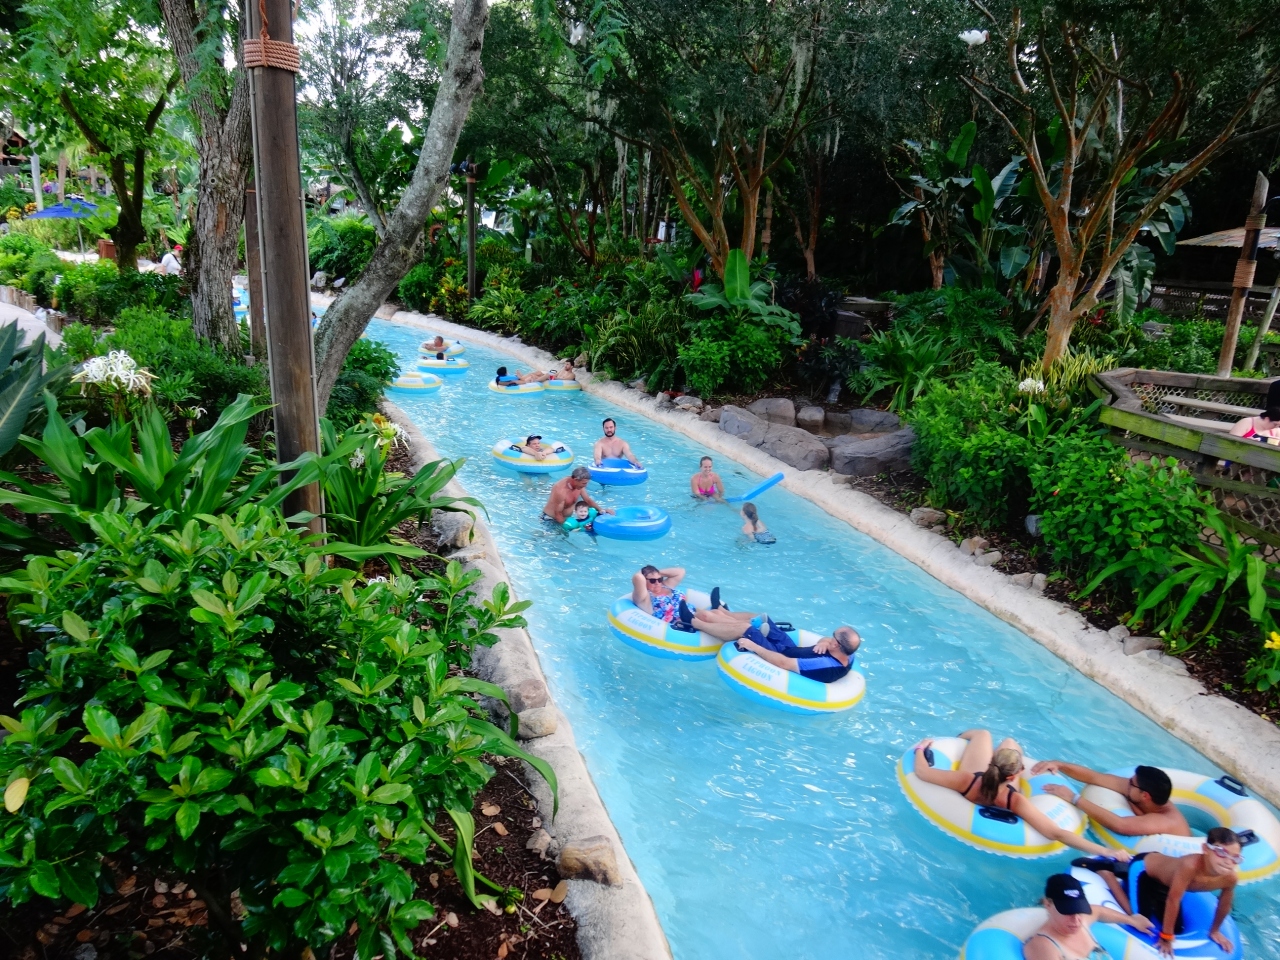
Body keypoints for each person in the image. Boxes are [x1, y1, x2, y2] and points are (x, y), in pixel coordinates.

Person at [911, 730, 1134, 860]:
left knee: (983, 734)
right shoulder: (1015, 800)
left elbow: (922, 772)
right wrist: (1107, 851)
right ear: (1013, 777)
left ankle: (958, 739)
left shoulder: (966, 780)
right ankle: (1006, 750)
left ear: (991, 763)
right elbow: (1057, 833)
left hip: (976, 785)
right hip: (1000, 793)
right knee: (1010, 742)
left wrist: (922, 748)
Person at [1075, 828, 1242, 956]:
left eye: (1235, 858)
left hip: (1165, 883)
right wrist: (1166, 937)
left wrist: (1215, 931)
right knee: (1139, 920)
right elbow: (1173, 900)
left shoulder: (1230, 878)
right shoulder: (1190, 866)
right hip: (1144, 870)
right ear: (1205, 849)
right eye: (1221, 852)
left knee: (1178, 929)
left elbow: (1224, 904)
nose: (1228, 862)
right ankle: (1107, 873)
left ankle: (1122, 871)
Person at [1028, 761, 1190, 840]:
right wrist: (1059, 765)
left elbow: (1121, 825)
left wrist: (1074, 797)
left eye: (1132, 782)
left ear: (1145, 796)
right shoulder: (1139, 792)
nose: (1128, 782)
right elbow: (1095, 777)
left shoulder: (1166, 820)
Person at [1023, 873, 1153, 960]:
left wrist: (1132, 920)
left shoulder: (1082, 921)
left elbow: (1099, 911)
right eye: (1068, 911)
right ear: (1048, 904)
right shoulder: (1043, 946)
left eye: (1079, 910)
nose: (1076, 920)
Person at [733, 622, 861, 684]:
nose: (830, 637)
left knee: (745, 628)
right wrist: (824, 643)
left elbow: (783, 663)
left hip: (777, 654)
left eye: (833, 635)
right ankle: (724, 612)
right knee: (762, 619)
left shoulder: (824, 664)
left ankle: (718, 619)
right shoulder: (848, 654)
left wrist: (754, 647)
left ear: (836, 645)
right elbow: (826, 639)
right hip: (790, 649)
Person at [542, 466, 614, 524]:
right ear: (576, 480)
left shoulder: (579, 485)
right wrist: (567, 528)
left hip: (566, 519)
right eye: (584, 483)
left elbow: (588, 500)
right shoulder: (561, 490)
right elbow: (558, 513)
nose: (585, 486)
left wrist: (601, 510)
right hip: (550, 520)